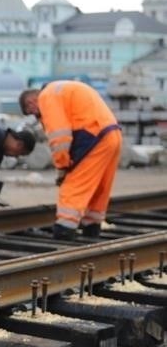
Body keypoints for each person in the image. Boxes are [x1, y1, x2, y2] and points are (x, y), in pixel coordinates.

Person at [18, 81, 122, 240]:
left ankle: (64, 231)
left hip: (92, 137)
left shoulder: (47, 96)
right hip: (112, 135)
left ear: (31, 102)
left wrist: (62, 167)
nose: (35, 115)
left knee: (74, 185)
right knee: (98, 188)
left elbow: (59, 137)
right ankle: (91, 229)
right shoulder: (64, 90)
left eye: (31, 112)